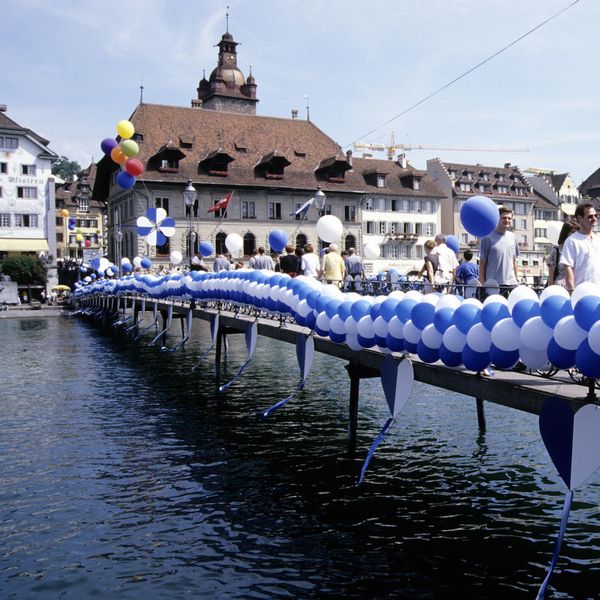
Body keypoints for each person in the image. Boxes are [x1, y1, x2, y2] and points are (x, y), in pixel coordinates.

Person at [479, 206, 519, 294]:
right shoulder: (486, 238)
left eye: (509, 218)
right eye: (504, 218)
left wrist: (516, 279)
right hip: (493, 284)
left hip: (511, 283)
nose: (507, 220)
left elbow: (515, 260)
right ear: (497, 218)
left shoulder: (513, 237)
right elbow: (482, 263)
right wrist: (482, 285)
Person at [560, 203, 600, 290]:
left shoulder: (598, 239)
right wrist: (571, 290)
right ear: (580, 218)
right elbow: (568, 267)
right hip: (582, 292)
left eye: (595, 216)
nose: (594, 219)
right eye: (590, 216)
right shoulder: (571, 241)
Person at [546, 221, 578, 287]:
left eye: (576, 232)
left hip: (576, 284)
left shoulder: (578, 250)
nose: (575, 235)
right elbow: (551, 275)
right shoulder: (557, 250)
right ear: (565, 233)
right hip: (561, 286)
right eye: (572, 232)